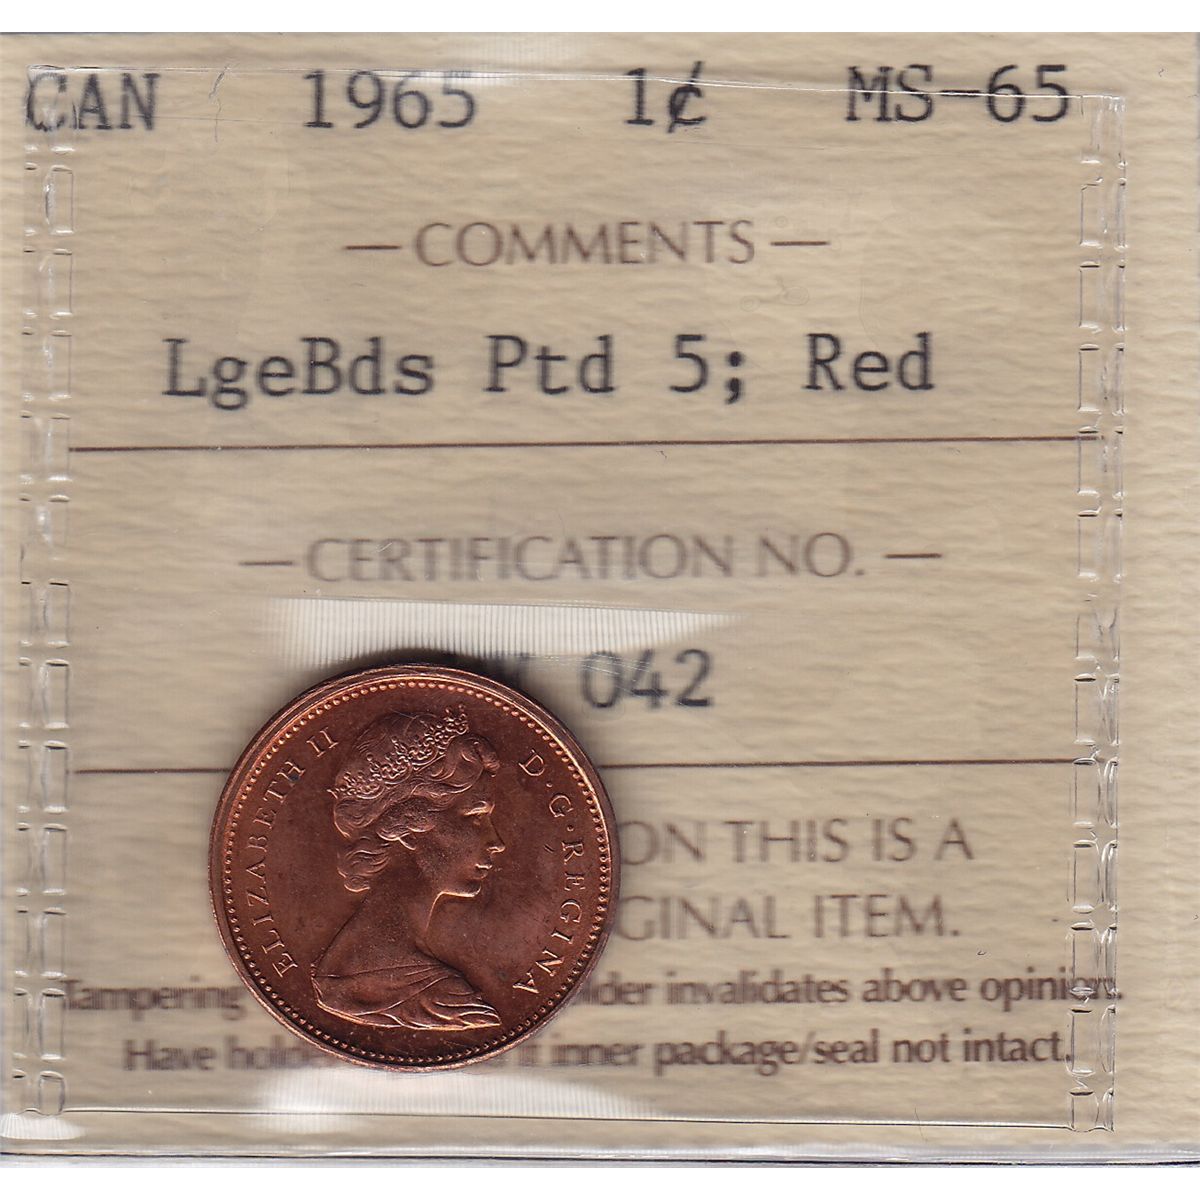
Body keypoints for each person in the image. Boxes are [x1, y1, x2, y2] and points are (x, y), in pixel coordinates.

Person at [312, 705, 506, 1030]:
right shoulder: (447, 1001)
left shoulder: (332, 974)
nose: (497, 842)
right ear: (409, 827)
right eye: (475, 817)